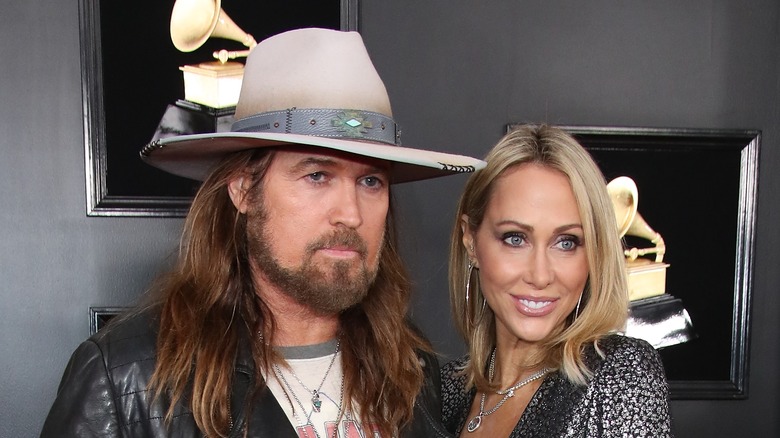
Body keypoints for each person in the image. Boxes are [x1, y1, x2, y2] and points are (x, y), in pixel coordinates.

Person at [41, 28, 484, 438]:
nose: (350, 213)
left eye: (371, 182)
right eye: (316, 176)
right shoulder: (125, 378)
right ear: (243, 191)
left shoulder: (412, 367)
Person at [441, 125, 672, 437]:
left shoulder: (621, 374)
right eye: (515, 238)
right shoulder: (443, 393)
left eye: (566, 243)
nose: (540, 275)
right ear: (471, 241)